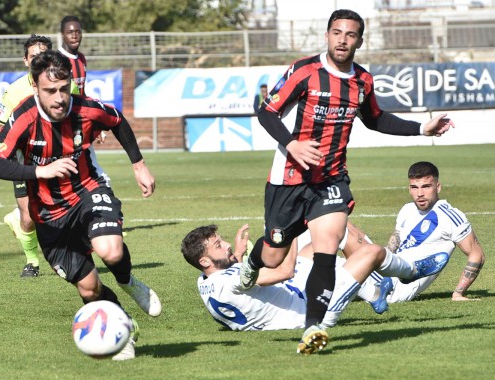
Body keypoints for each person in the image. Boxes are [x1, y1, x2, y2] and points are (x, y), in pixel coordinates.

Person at [240, 8, 455, 354]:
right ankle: (251, 263)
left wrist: (421, 128)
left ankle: (312, 329)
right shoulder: (304, 71)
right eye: (337, 33)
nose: (343, 40)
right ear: (327, 36)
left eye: (350, 34)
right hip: (288, 178)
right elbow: (267, 110)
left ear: (359, 40)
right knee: (274, 252)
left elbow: (375, 119)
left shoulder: (362, 81)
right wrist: (292, 144)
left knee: (327, 249)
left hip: (331, 179)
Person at [0, 50, 162, 361]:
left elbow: (117, 120)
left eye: (64, 88)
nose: (59, 97)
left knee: (111, 251)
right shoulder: (23, 118)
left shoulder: (85, 110)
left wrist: (139, 165)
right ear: (36, 88)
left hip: (87, 191)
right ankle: (122, 331)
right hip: (49, 216)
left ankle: (129, 281)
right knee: (89, 289)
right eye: (50, 91)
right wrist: (39, 171)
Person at [180, 221, 440, 339]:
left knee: (331, 235)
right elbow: (284, 271)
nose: (225, 245)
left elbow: (237, 282)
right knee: (372, 252)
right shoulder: (230, 279)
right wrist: (290, 231)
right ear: (204, 261)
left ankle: (373, 293)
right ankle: (411, 271)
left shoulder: (205, 280)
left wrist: (235, 253)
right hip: (312, 313)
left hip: (291, 298)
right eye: (218, 245)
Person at [354, 161, 485, 312]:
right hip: (386, 274)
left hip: (399, 287)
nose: (419, 193)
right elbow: (393, 246)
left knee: (344, 233)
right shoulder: (407, 209)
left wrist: (458, 293)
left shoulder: (449, 216)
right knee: (340, 236)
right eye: (414, 187)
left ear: (438, 187)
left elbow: (477, 254)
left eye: (426, 187)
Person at [0, 34, 53, 278]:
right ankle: (32, 261)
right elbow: (0, 128)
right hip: (24, 161)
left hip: (58, 158)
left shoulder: (64, 83)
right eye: (34, 57)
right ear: (25, 60)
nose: (39, 60)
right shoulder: (14, 91)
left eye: (44, 56)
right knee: (29, 219)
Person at [58, 15, 87, 96]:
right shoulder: (56, 59)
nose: (74, 36)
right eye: (70, 32)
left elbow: (82, 91)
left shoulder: (82, 58)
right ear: (62, 35)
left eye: (78, 32)